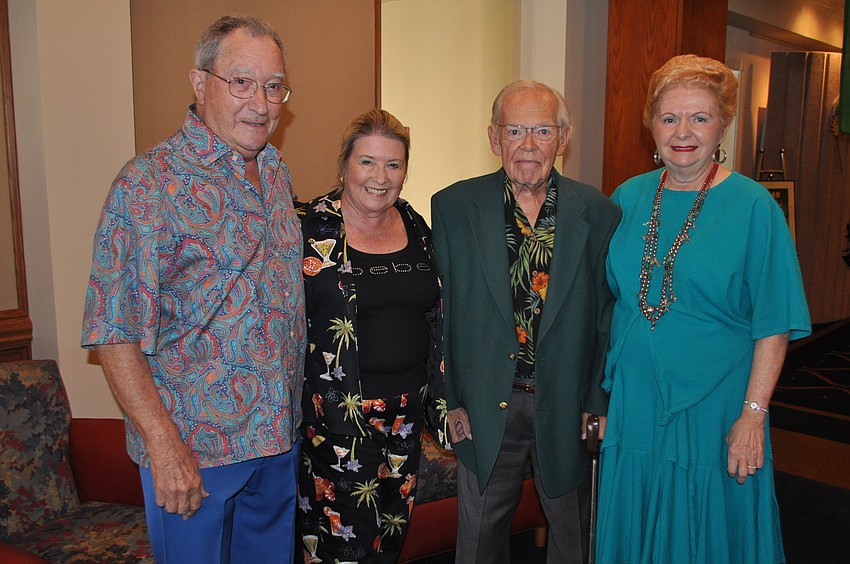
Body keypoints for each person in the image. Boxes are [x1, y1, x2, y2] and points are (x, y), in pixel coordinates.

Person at [80, 15, 305, 563]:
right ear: (200, 83)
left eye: (275, 86)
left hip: (277, 442)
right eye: (242, 82)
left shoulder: (275, 173)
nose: (262, 102)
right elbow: (114, 332)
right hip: (195, 454)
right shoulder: (146, 186)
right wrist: (162, 444)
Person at [595, 54, 811, 563]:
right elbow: (607, 302)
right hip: (636, 403)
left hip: (716, 406)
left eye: (700, 117)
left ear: (723, 126)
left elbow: (774, 324)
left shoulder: (754, 207)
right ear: (652, 127)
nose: (683, 132)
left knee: (708, 530)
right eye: (669, 118)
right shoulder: (626, 197)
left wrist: (752, 417)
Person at [431, 80, 621, 563]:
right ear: (495, 139)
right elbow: (441, 312)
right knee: (479, 538)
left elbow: (605, 316)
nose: (529, 144)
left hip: (566, 399)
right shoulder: (453, 207)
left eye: (542, 130)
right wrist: (451, 399)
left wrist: (597, 398)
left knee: (573, 531)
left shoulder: (599, 213)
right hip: (485, 402)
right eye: (515, 130)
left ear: (563, 137)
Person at [295, 109, 448, 563]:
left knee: (388, 538)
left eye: (394, 165)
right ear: (344, 165)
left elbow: (435, 314)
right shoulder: (306, 228)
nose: (380, 177)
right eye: (367, 162)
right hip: (336, 421)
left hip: (407, 417)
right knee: (342, 546)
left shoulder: (415, 224)